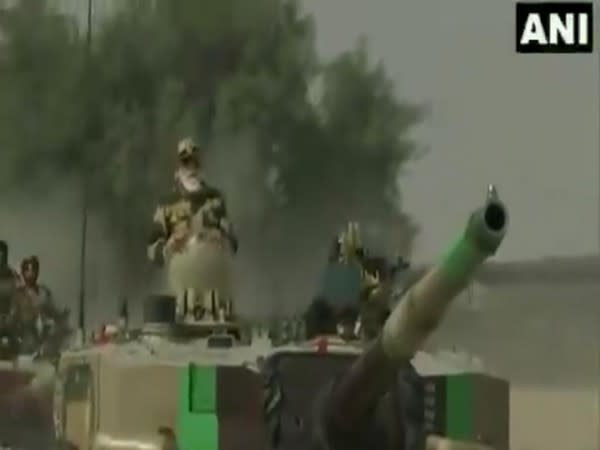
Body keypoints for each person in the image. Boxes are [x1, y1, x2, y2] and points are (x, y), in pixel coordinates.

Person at [147, 137, 238, 321]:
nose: (191, 167)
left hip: (214, 289)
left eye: (195, 161)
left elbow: (233, 240)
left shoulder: (216, 199)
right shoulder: (167, 203)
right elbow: (151, 249)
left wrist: (222, 237)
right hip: (180, 290)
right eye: (186, 162)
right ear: (179, 166)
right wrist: (169, 246)